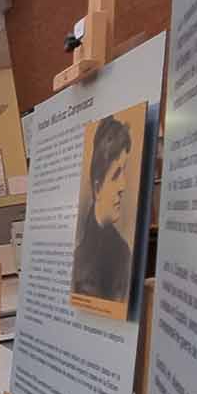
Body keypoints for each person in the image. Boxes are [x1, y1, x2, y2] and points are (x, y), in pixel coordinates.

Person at [72, 116, 134, 302]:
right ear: (97, 188)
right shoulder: (79, 257)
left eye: (124, 172)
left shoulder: (123, 253)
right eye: (116, 175)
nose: (123, 186)